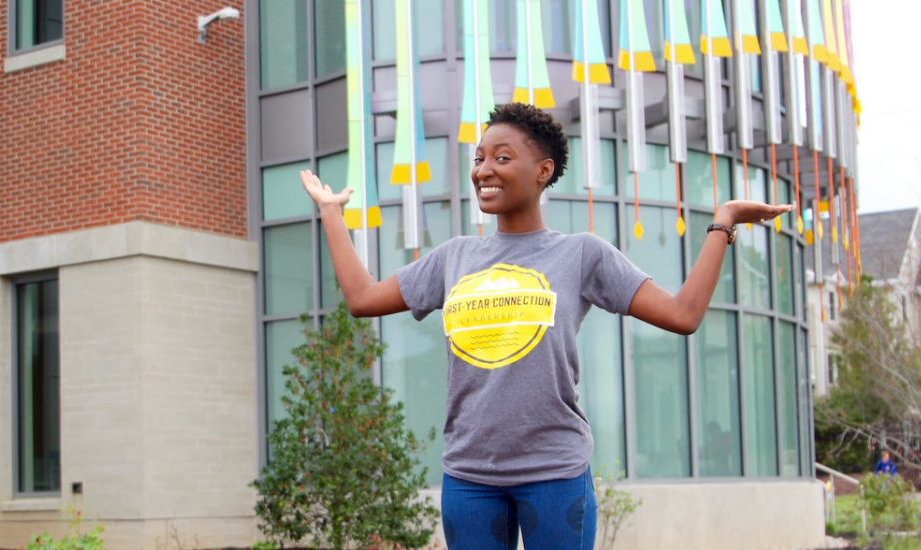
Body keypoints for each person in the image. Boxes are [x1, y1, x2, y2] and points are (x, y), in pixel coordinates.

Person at [299, 102, 792, 549]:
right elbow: (362, 299)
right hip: (469, 477)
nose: (484, 170)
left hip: (554, 474)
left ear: (543, 170)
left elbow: (684, 315)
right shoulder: (454, 257)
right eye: (479, 158)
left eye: (502, 157)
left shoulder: (581, 254)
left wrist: (723, 222)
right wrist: (330, 213)